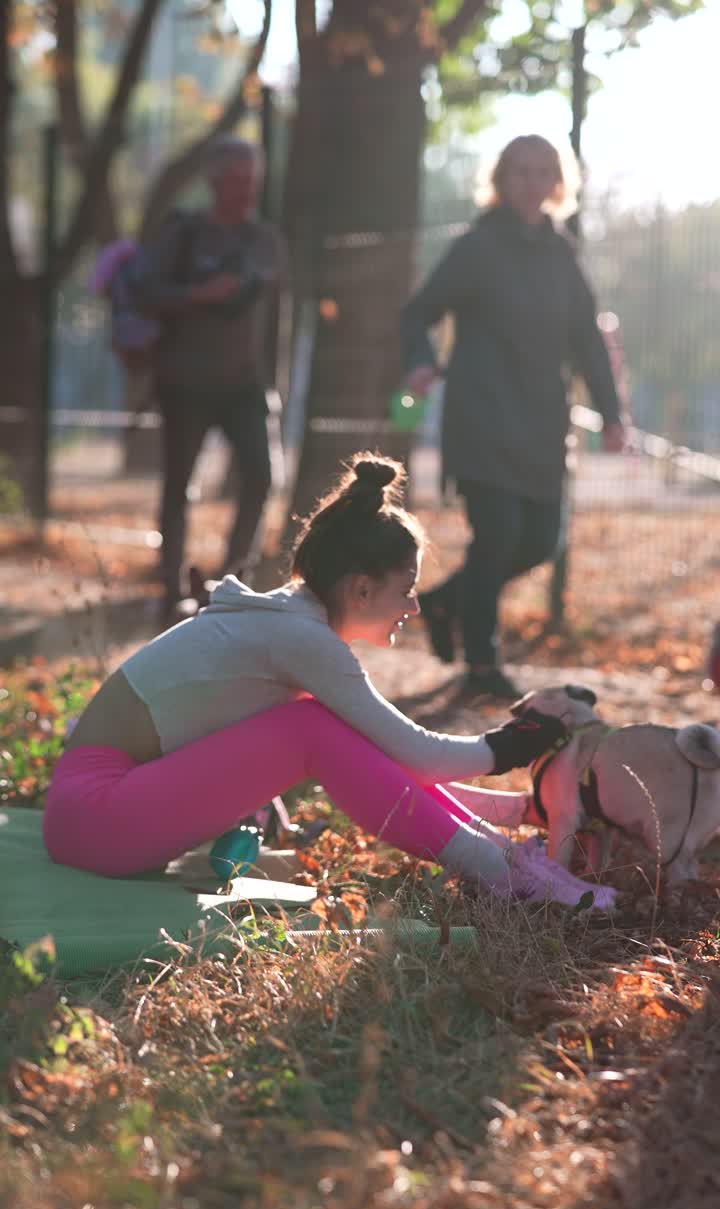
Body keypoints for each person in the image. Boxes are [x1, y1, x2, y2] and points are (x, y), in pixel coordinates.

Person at [42, 454, 614, 909]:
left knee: (325, 728)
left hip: (93, 817)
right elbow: (421, 755)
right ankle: (504, 874)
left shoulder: (292, 623)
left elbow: (387, 761)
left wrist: (513, 810)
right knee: (312, 728)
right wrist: (515, 744)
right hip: (96, 818)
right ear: (361, 589)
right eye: (406, 589)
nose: (414, 606)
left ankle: (504, 859)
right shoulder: (301, 637)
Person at [401, 134, 626, 702]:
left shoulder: (562, 253)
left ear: (558, 182)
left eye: (542, 171)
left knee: (540, 541)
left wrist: (612, 413)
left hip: (542, 423)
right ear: (501, 179)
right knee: (497, 535)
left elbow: (587, 340)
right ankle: (483, 664)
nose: (531, 181)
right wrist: (421, 363)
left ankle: (446, 601)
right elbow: (419, 312)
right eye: (520, 171)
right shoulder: (477, 246)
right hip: (482, 418)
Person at [132, 136, 285, 614]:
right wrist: (199, 294)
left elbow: (275, 317)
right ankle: (172, 589)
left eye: (251, 179)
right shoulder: (184, 234)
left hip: (245, 385)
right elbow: (144, 291)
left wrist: (272, 381)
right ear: (213, 181)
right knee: (178, 485)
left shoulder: (266, 241)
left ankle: (234, 585)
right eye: (235, 179)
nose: (245, 189)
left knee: (260, 476)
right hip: (185, 382)